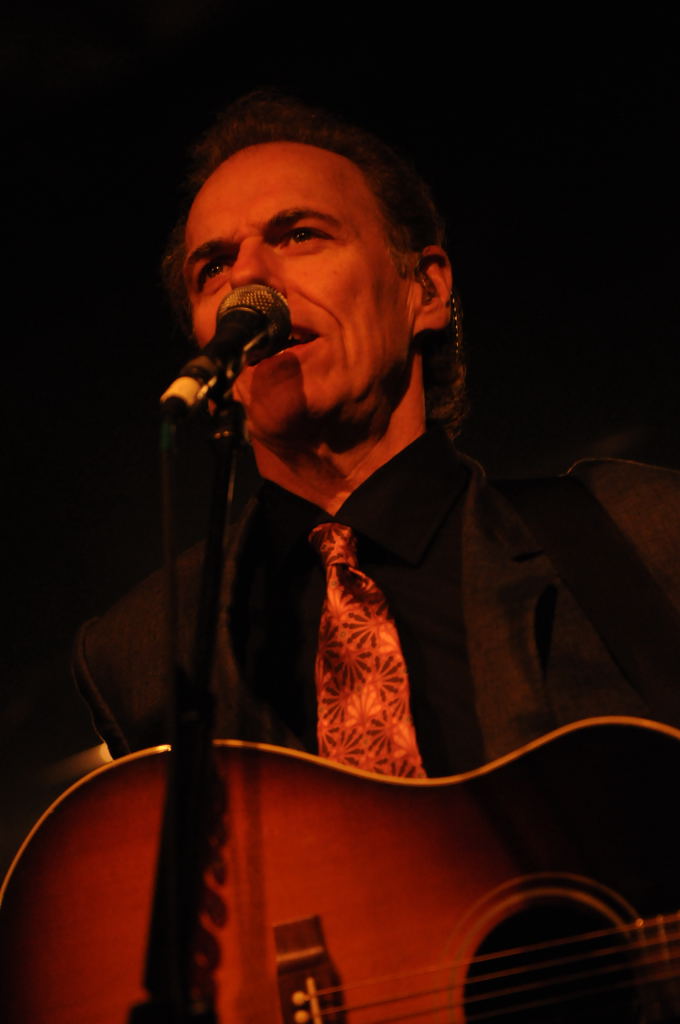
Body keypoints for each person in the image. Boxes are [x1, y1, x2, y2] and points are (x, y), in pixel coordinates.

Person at [74, 92, 680, 777]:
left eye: (299, 235)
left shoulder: (637, 531)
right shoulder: (142, 651)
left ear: (425, 290)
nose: (247, 279)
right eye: (212, 268)